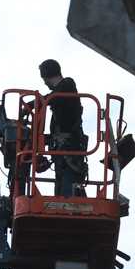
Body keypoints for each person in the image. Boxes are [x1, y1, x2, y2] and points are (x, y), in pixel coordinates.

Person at [38, 59, 89, 196]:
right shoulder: (57, 95)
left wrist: (36, 102)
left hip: (70, 149)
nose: (44, 83)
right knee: (60, 192)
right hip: (61, 153)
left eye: (44, 78)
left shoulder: (67, 84)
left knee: (68, 194)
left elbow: (53, 97)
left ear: (46, 76)